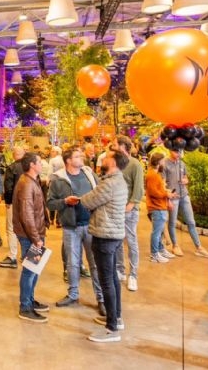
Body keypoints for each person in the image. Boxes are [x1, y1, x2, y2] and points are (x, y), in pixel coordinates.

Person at [65, 149, 129, 343]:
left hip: (105, 235)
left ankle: (111, 329)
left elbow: (89, 200)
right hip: (113, 234)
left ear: (114, 163)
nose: (103, 159)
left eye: (107, 157)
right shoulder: (117, 180)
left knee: (106, 281)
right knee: (112, 279)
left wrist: (79, 199)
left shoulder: (109, 183)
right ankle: (116, 317)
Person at [47, 147, 104, 315]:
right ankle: (73, 294)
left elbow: (101, 192)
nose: (82, 157)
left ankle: (101, 298)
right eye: (77, 156)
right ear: (68, 161)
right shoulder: (58, 180)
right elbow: (50, 203)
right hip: (71, 227)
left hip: (92, 225)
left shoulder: (89, 174)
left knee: (95, 263)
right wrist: (65, 201)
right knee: (72, 263)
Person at [13, 152, 50, 323]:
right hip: (30, 235)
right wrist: (36, 238)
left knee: (34, 270)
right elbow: (27, 215)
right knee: (29, 271)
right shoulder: (27, 184)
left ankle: (30, 299)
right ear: (32, 165)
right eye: (39, 162)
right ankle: (25, 307)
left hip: (35, 233)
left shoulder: (32, 180)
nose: (42, 164)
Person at [161, 148, 208, 259]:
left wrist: (186, 180)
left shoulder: (182, 163)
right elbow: (162, 184)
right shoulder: (164, 164)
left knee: (191, 221)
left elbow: (186, 177)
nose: (178, 153)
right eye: (176, 151)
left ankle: (199, 247)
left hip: (184, 195)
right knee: (172, 222)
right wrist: (168, 198)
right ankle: (175, 245)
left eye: (180, 151)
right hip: (173, 197)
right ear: (170, 150)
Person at [112, 135, 143, 292]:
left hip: (128, 210)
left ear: (123, 146)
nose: (112, 146)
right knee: (117, 241)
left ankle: (133, 275)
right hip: (116, 209)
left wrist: (130, 206)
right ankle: (120, 270)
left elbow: (138, 189)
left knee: (131, 242)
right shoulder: (115, 162)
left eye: (115, 144)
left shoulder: (135, 164)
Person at [145, 152, 175, 264]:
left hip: (159, 206)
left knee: (160, 232)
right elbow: (154, 193)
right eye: (163, 161)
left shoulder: (154, 174)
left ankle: (160, 250)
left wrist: (165, 192)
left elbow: (157, 190)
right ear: (158, 162)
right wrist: (166, 194)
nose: (164, 163)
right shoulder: (152, 175)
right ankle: (154, 254)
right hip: (156, 207)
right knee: (156, 233)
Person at [0, 146, 25, 268]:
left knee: (12, 228)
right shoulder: (30, 166)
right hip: (28, 204)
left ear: (14, 155)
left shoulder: (12, 168)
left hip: (14, 203)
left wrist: (8, 202)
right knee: (26, 228)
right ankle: (25, 255)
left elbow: (8, 187)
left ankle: (12, 256)